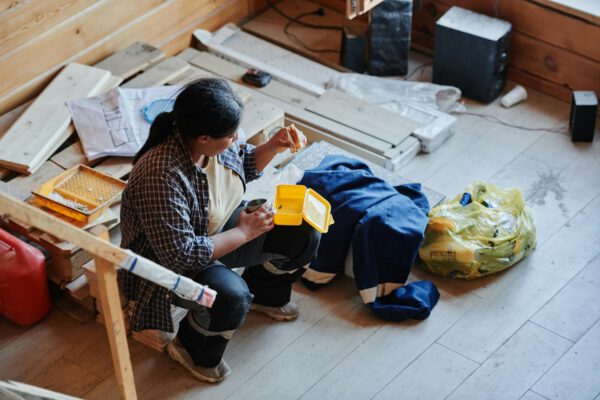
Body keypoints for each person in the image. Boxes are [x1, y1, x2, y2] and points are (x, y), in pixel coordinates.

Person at [119, 78, 320, 383]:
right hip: (166, 265)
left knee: (304, 232)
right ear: (203, 137)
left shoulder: (211, 143)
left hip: (215, 229)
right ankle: (191, 349)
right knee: (230, 297)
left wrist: (273, 146)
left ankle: (266, 293)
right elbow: (180, 257)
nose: (237, 138)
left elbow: (242, 164)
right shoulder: (160, 175)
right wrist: (243, 233)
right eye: (230, 134)